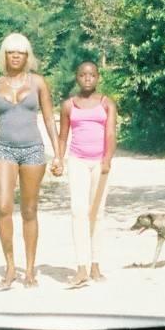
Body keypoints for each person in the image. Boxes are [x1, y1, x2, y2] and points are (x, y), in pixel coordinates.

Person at [0, 33, 59, 290]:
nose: (16, 56)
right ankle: (10, 266)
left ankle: (30, 269)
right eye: (11, 52)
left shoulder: (38, 83)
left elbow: (49, 119)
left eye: (21, 52)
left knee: (29, 211)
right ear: (4, 55)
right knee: (3, 207)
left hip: (33, 151)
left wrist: (58, 154)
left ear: (28, 56)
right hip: (4, 151)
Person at [54, 60, 118, 289]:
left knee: (97, 213)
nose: (87, 78)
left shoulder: (107, 103)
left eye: (92, 75)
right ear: (77, 77)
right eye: (83, 75)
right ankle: (81, 266)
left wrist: (107, 160)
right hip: (78, 161)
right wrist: (58, 159)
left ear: (98, 77)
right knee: (78, 211)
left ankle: (95, 265)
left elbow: (110, 134)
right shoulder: (69, 105)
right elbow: (63, 136)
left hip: (99, 163)